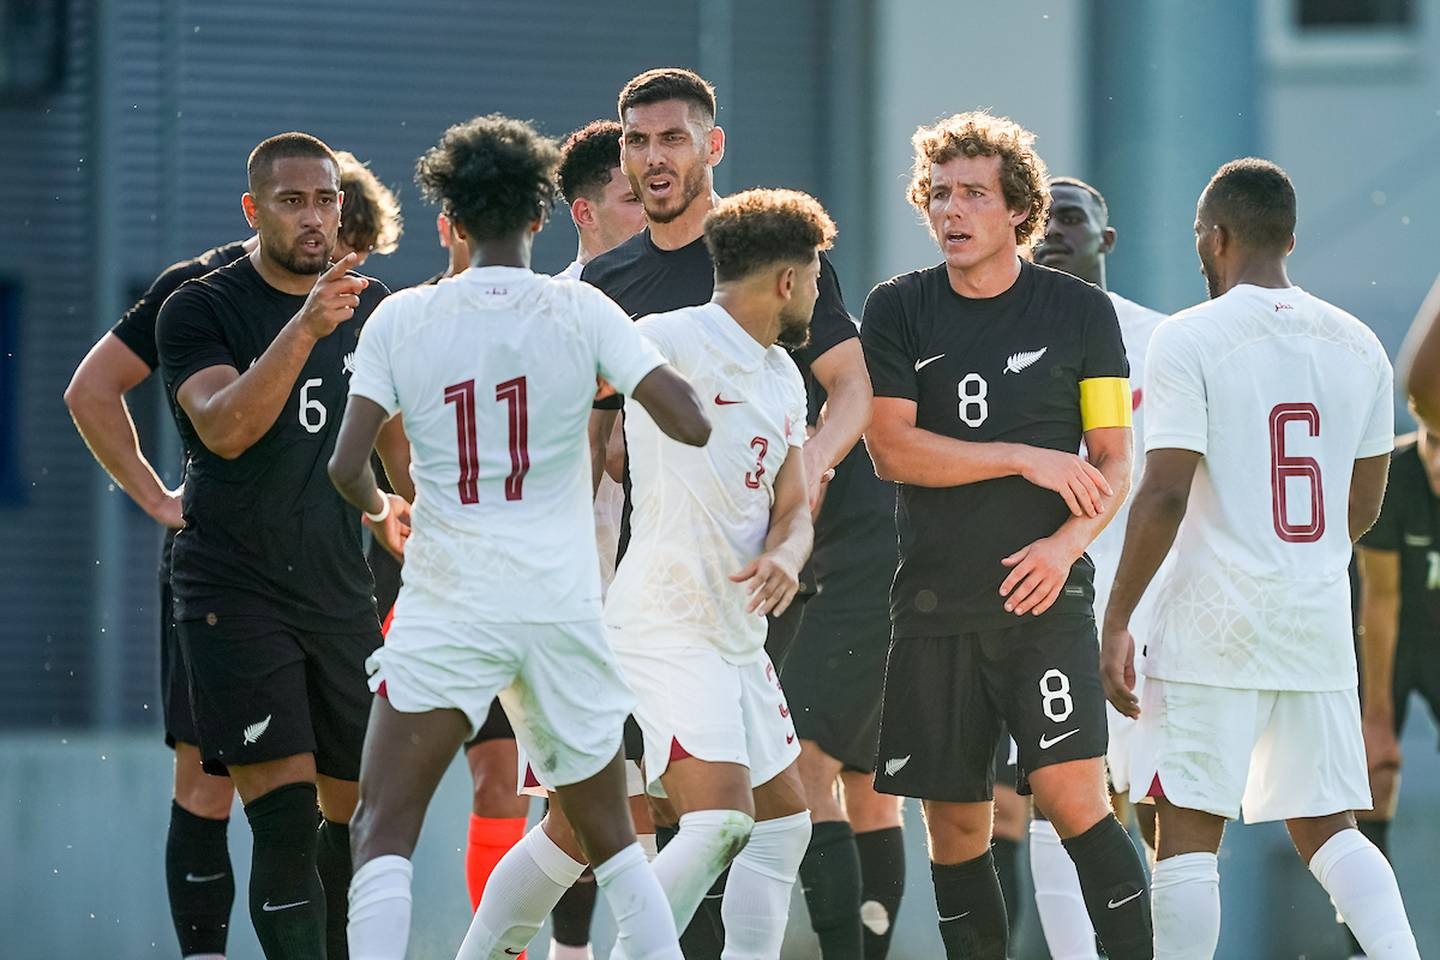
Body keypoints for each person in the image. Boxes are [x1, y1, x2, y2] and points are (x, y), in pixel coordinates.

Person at [333, 113, 707, 960]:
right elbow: (685, 421)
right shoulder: (584, 309)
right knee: (613, 839)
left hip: (448, 598)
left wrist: (384, 506)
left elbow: (346, 463)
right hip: (559, 605)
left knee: (383, 826)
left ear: (451, 222)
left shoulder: (403, 321)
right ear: (541, 217)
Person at [582, 66, 872, 957]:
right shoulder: (615, 286)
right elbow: (582, 423)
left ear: (713, 146)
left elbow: (851, 388)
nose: (653, 157)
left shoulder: (770, 256)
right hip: (662, 591)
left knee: (774, 814)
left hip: (757, 589)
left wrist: (806, 479)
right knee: (647, 819)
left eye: (672, 138)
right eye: (637, 140)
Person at [1100, 157, 1419, 960]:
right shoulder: (1361, 344)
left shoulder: (1188, 336)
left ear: (1215, 238)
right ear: (1292, 238)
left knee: (1187, 835)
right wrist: (1296, 561)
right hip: (1311, 622)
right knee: (1331, 831)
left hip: (1210, 624)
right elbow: (1363, 505)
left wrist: (1117, 617)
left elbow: (1165, 491)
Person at [861, 110, 1152, 960]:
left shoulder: (1081, 313)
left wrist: (1064, 548)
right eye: (939, 195)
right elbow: (891, 448)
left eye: (974, 195)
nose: (952, 211)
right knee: (955, 825)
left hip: (1045, 600)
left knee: (1074, 800)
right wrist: (1022, 456)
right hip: (933, 602)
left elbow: (1112, 463)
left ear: (1018, 210)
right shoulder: (899, 307)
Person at [155, 132, 407, 960]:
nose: (313, 218)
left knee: (353, 815)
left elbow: (400, 446)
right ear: (252, 209)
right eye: (292, 201)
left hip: (341, 594)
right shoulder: (199, 305)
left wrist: (409, 510)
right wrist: (302, 329)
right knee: (286, 819)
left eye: (326, 199)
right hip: (233, 591)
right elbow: (224, 429)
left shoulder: (373, 309)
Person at [66, 234, 254, 960]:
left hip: (327, 572)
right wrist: (157, 497)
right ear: (259, 209)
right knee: (209, 783)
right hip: (216, 568)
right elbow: (89, 388)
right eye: (297, 202)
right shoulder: (201, 286)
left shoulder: (359, 301)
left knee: (325, 796)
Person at [1030, 175, 1167, 960]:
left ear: (1106, 240)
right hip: (1049, 597)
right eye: (1041, 216)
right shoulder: (994, 337)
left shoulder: (1160, 340)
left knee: (1156, 802)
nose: (1055, 228)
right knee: (1059, 794)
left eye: (1073, 215)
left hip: (1149, 602)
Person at [536, 117, 652, 960]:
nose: (649, 205)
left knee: (678, 803)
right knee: (579, 812)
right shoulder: (551, 315)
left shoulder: (693, 303)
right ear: (582, 213)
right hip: (578, 594)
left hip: (674, 591)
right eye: (627, 194)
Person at [1353, 419, 1439, 960]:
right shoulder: (1394, 478)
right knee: (1372, 773)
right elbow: (1381, 600)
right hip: (1389, 635)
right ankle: (1363, 945)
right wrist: (1378, 719)